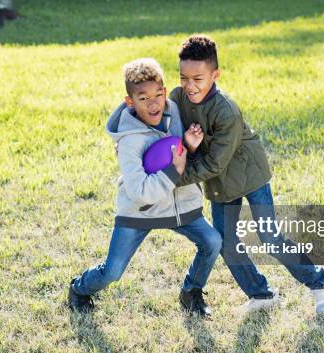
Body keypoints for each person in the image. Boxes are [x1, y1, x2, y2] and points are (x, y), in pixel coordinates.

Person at [171, 35, 324, 315]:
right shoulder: (178, 98)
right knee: (226, 241)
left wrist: (173, 177)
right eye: (183, 78)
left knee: (269, 236)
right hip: (222, 182)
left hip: (249, 173)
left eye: (198, 78)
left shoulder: (226, 110)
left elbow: (214, 163)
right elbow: (153, 116)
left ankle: (321, 284)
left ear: (215, 75)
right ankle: (261, 294)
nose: (189, 86)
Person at [69, 58, 222, 317]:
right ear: (130, 102)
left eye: (158, 95)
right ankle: (80, 288)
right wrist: (174, 170)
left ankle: (191, 291)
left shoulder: (173, 112)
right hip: (139, 211)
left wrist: (190, 145)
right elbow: (141, 191)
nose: (153, 103)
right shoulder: (129, 142)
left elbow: (177, 151)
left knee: (212, 242)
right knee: (113, 271)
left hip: (178, 206)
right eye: (143, 98)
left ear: (164, 91)